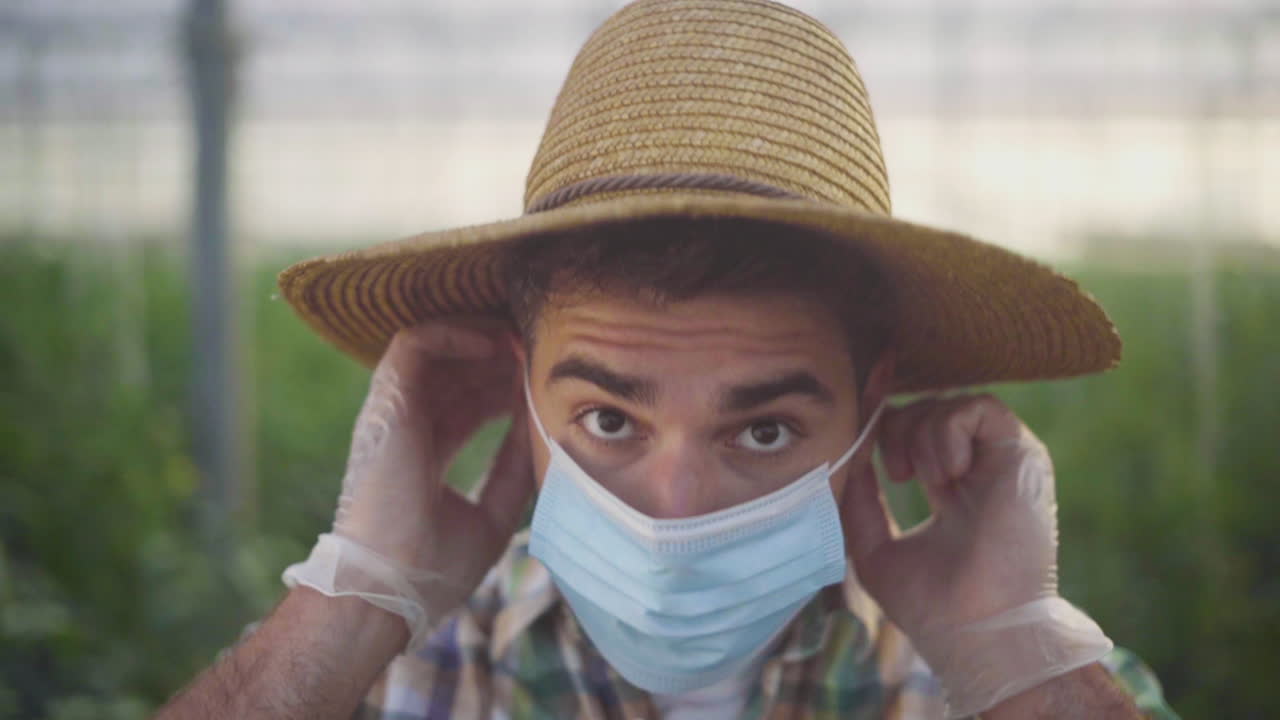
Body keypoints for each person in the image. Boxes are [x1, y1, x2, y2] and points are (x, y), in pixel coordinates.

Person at [156, 0, 1179, 718]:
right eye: (607, 420)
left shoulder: (997, 683)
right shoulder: (384, 677)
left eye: (763, 428)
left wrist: (1008, 657)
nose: (673, 511)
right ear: (519, 390)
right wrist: (352, 600)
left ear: (870, 409)